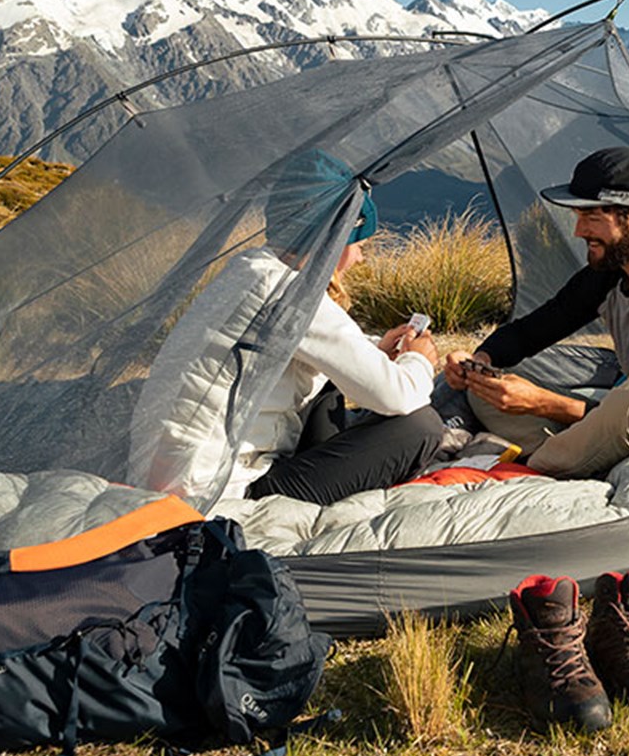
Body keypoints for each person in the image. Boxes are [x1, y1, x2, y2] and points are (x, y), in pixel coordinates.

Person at [130, 150, 444, 506]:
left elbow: (304, 346)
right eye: (357, 244)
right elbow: (399, 396)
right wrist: (418, 360)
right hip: (219, 493)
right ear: (332, 238)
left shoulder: (252, 270)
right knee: (421, 428)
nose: (359, 258)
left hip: (177, 473)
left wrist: (375, 349)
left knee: (328, 388)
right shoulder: (290, 294)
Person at [444, 146, 629, 478]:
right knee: (486, 392)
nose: (579, 231)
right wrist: (480, 361)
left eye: (591, 217)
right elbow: (534, 329)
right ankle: (569, 456)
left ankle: (535, 467)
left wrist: (542, 403)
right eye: (578, 217)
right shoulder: (611, 269)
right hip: (628, 418)